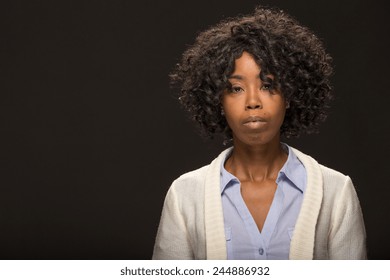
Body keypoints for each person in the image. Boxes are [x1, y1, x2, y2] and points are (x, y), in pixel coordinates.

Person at [152, 6, 366, 260]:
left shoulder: (336, 192)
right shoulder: (184, 196)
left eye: (267, 85)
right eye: (236, 88)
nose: (253, 101)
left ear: (289, 94)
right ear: (218, 100)